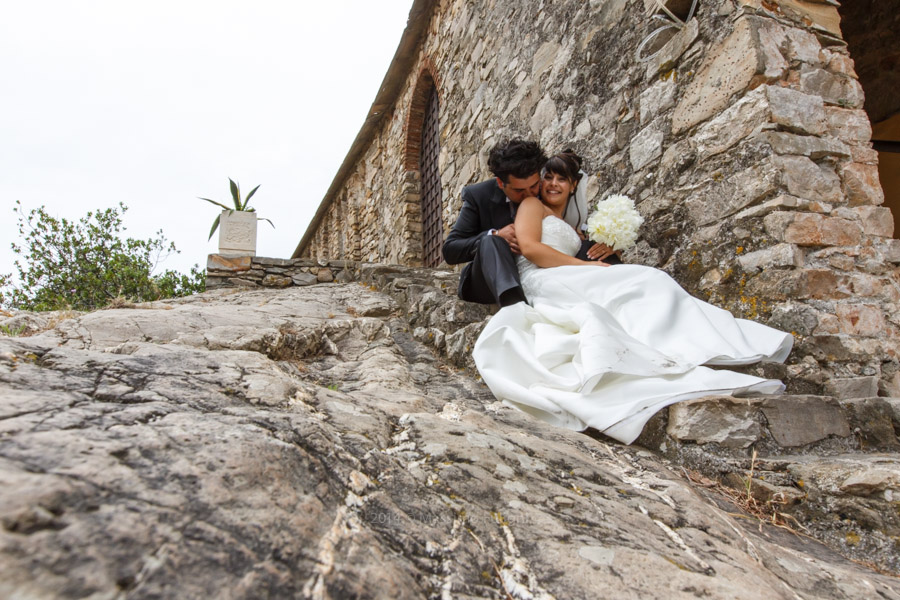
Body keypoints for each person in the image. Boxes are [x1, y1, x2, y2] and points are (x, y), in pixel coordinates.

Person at [472, 151, 793, 444]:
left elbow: (582, 250)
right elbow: (530, 248)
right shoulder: (532, 206)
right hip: (544, 277)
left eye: (562, 179)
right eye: (549, 178)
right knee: (644, 279)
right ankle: (672, 349)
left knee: (648, 280)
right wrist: (585, 265)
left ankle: (684, 345)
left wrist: (601, 252)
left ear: (573, 186)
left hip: (569, 273)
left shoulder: (576, 229)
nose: (553, 184)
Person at [441, 139, 546, 307]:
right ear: (500, 183)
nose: (529, 195)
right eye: (519, 190)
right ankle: (515, 305)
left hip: (541, 274)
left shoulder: (549, 187)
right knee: (490, 240)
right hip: (486, 284)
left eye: (534, 186)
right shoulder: (478, 195)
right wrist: (495, 235)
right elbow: (450, 250)